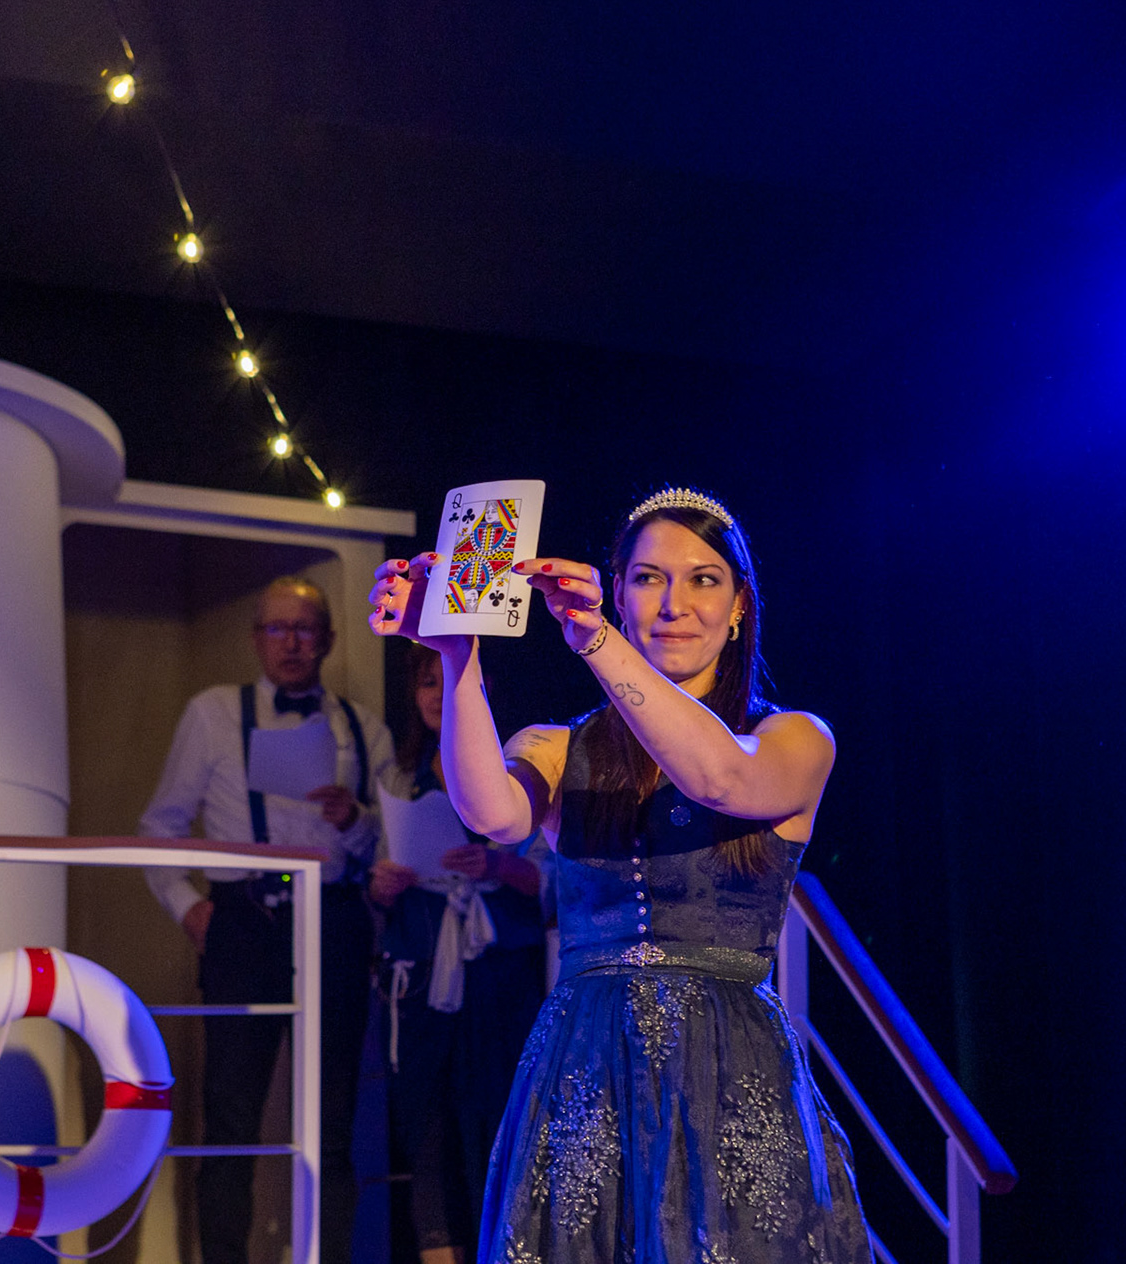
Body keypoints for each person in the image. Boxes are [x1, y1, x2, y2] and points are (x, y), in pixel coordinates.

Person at [367, 487, 873, 1264]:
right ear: (619, 589)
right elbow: (491, 814)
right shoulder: (558, 746)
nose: (674, 604)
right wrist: (456, 653)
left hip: (728, 1065)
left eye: (703, 580)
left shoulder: (796, 738)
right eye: (648, 579)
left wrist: (596, 640)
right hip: (587, 1061)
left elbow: (719, 779)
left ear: (739, 605)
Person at [141, 574, 394, 1264]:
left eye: (304, 628)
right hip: (244, 921)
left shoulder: (363, 728)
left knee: (333, 1118)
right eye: (276, 628)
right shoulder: (213, 713)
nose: (290, 643)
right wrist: (188, 905)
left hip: (333, 920)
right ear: (256, 638)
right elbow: (161, 824)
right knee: (230, 1116)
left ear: (328, 640)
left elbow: (393, 850)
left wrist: (355, 820)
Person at [369, 645, 549, 1264]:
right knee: (425, 1125)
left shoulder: (523, 773)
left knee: (497, 1119)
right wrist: (382, 883)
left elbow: (555, 881)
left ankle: (502, 1249)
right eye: (425, 683)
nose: (435, 696)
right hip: (420, 970)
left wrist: (498, 865)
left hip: (499, 973)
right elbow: (376, 874)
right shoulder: (398, 778)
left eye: (445, 680)